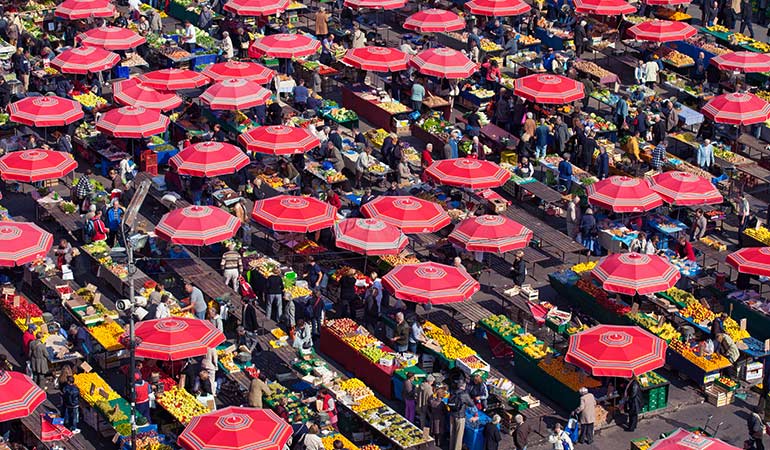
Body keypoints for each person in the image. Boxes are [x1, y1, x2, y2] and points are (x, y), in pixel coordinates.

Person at [448, 381, 474, 450]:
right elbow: (471, 404)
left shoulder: (453, 391)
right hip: (460, 416)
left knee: (452, 433)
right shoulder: (464, 394)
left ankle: (451, 447)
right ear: (463, 386)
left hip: (452, 414)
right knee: (458, 436)